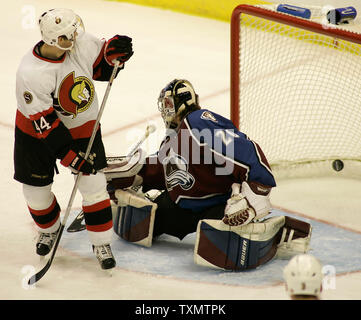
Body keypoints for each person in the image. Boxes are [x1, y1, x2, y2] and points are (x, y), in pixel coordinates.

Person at [105, 79, 312, 270]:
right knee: (144, 221)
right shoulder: (171, 140)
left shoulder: (198, 122)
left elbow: (245, 151)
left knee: (223, 240)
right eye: (164, 105)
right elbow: (165, 171)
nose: (166, 111)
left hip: (217, 205)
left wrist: (257, 192)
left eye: (169, 104)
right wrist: (135, 173)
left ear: (183, 102)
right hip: (183, 207)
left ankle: (280, 231)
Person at [14, 8, 133, 270]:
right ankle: (49, 228)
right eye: (68, 36)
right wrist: (68, 156)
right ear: (54, 40)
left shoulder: (77, 44)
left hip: (82, 127)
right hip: (35, 133)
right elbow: (45, 123)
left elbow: (102, 66)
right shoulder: (31, 72)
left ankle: (101, 242)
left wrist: (114, 54)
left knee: (94, 184)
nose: (75, 38)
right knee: (35, 192)